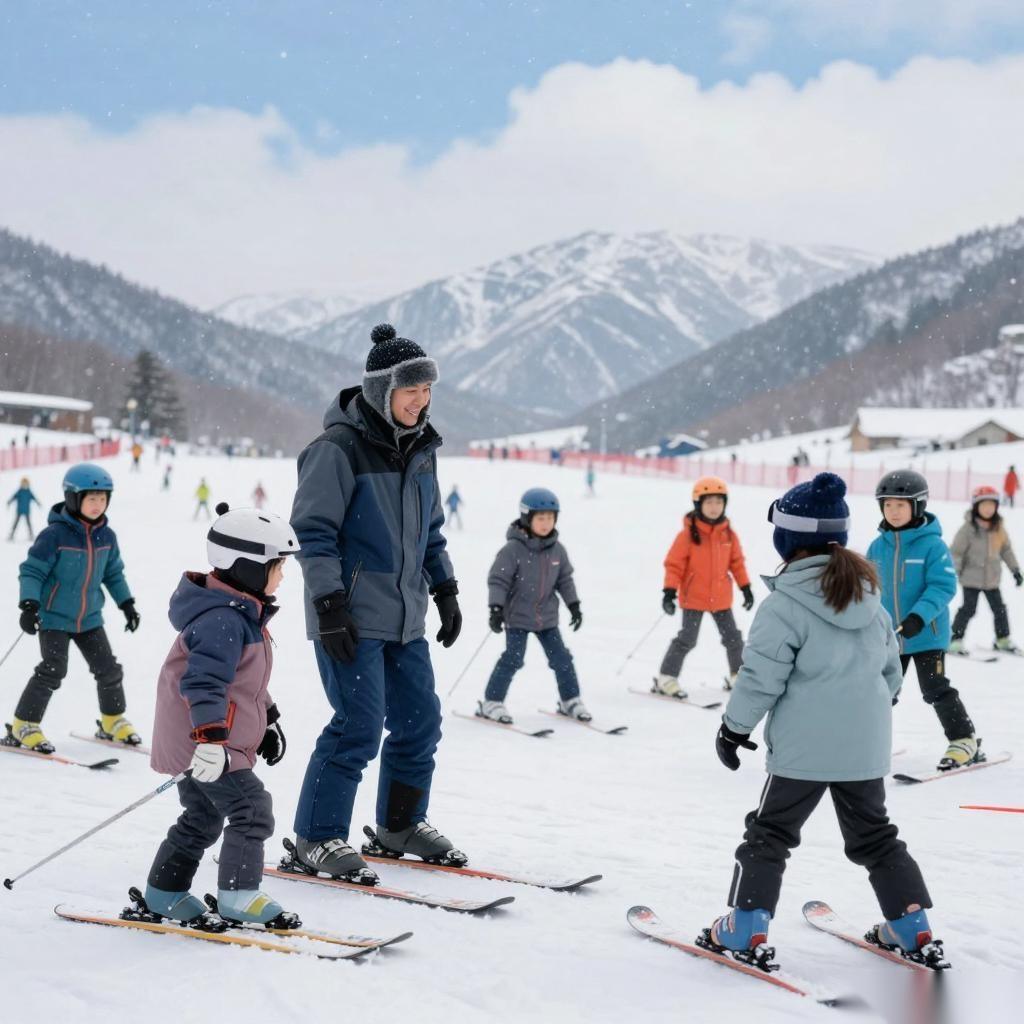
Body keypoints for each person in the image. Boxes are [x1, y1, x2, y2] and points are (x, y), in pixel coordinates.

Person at [704, 472, 944, 969]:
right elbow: (890, 670)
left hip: (803, 754)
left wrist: (733, 729)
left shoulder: (784, 604)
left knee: (769, 834)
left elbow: (759, 678)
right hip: (864, 748)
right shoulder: (870, 599)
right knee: (876, 837)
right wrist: (870, 712)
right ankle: (911, 926)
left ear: (788, 538)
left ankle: (745, 929)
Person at [289, 323, 464, 882]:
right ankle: (316, 838)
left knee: (419, 722)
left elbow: (430, 532)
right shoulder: (335, 450)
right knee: (357, 726)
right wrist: (328, 604)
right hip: (350, 617)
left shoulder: (422, 450)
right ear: (381, 391)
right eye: (411, 390)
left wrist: (446, 588)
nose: (423, 400)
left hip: (406, 615)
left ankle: (399, 825)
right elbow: (313, 532)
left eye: (428, 389)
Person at [145, 503, 300, 926]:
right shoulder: (222, 621)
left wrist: (267, 719)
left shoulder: (242, 614)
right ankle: (239, 896)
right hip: (206, 744)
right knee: (252, 809)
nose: (283, 575)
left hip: (210, 739)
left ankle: (163, 893)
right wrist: (211, 742)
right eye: (277, 566)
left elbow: (244, 683)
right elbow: (205, 685)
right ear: (246, 567)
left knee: (203, 817)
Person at [3, 464, 141, 754]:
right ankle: (23, 725)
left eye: (103, 498)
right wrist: (29, 604)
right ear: (72, 498)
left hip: (90, 618)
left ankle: (112, 720)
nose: (97, 504)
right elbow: (32, 571)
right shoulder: (54, 535)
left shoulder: (107, 536)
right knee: (52, 670)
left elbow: (113, 573)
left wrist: (126, 604)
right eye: (91, 498)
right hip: (53, 617)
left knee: (108, 669)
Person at [868, 470, 980, 770]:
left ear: (917, 506)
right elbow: (868, 588)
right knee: (881, 691)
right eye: (888, 505)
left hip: (926, 634)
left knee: (935, 687)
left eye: (900, 505)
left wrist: (919, 616)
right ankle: (866, 741)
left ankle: (963, 739)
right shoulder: (877, 547)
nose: (893, 511)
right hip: (890, 637)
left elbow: (943, 586)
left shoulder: (933, 546)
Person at [478, 488, 587, 724]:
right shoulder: (513, 550)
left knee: (562, 659)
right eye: (541, 518)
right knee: (513, 658)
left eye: (550, 517)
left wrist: (574, 606)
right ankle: (492, 702)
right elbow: (498, 579)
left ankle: (570, 700)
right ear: (527, 518)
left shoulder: (558, 550)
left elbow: (565, 580)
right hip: (517, 617)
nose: (546, 523)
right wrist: (495, 608)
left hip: (547, 618)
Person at [655, 477, 753, 697]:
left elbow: (737, 563)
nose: (714, 507)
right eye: (708, 502)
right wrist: (669, 592)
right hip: (694, 598)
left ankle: (737, 675)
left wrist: (745, 587)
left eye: (718, 502)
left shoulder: (729, 534)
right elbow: (674, 564)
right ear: (698, 504)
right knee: (687, 639)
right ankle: (666, 678)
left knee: (734, 639)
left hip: (721, 598)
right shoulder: (687, 535)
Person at [950, 485, 1021, 654]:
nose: (988, 509)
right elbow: (956, 553)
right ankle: (954, 639)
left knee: (1000, 609)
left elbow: (1006, 551)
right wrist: (954, 573)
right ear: (976, 507)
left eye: (992, 505)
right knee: (968, 609)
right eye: (984, 505)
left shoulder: (998, 529)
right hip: (970, 579)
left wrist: (1015, 570)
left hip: (992, 579)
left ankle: (1002, 640)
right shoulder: (968, 529)